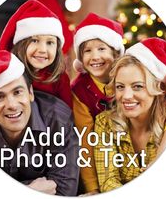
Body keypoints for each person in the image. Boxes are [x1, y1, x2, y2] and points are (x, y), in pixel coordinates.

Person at [0, 50, 79, 196]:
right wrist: (31, 190)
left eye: (17, 92)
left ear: (30, 93)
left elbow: (64, 191)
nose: (12, 105)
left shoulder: (58, 119)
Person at [94, 37, 166, 192]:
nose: (126, 96)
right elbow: (108, 181)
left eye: (137, 87)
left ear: (158, 89)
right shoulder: (104, 123)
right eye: (120, 87)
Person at [71, 12, 125, 195]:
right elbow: (85, 140)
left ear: (115, 52)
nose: (95, 56)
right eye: (87, 50)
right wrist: (93, 188)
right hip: (100, 153)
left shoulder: (127, 76)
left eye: (102, 49)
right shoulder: (79, 91)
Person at [0, 0, 72, 108]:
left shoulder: (60, 79)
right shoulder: (8, 75)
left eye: (50, 42)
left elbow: (68, 114)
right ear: (21, 45)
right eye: (34, 41)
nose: (42, 49)